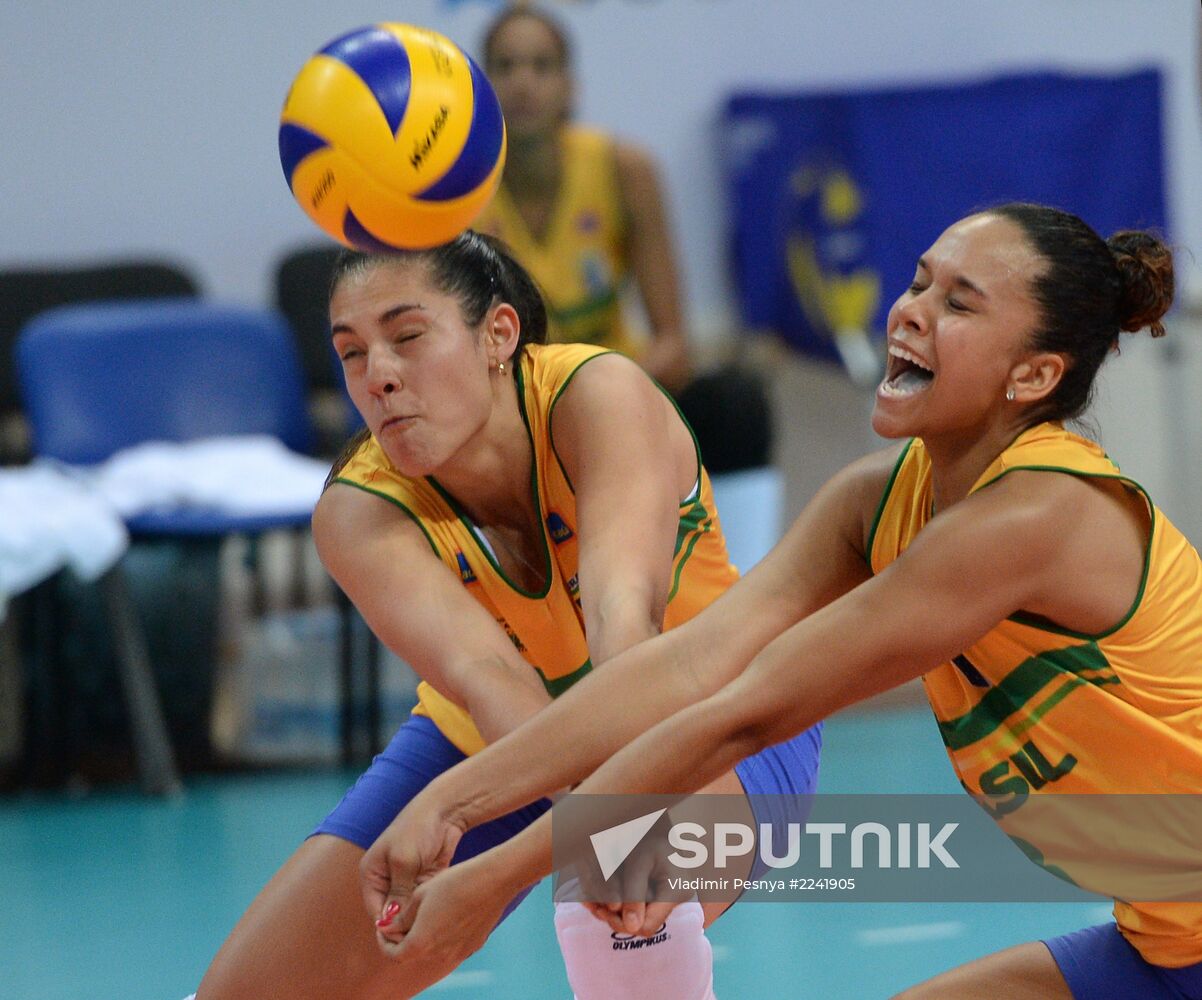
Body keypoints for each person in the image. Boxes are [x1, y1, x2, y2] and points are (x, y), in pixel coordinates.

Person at [360, 204, 1202, 999]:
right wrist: (452, 802)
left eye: (960, 304)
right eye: (917, 282)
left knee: (616, 855)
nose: (909, 312)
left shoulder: (1037, 515)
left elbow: (745, 712)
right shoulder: (875, 502)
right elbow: (691, 665)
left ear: (1035, 375)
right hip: (1166, 947)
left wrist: (496, 872)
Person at [191, 232, 821, 1000]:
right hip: (489, 735)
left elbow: (627, 636)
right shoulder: (359, 509)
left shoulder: (597, 396)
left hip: (712, 711)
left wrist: (609, 825)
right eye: (352, 353)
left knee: (615, 870)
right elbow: (487, 680)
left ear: (498, 334)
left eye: (408, 336)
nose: (378, 376)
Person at [475, 4, 692, 396]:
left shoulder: (626, 171)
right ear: (480, 88)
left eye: (542, 66)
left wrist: (597, 398)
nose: (523, 83)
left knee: (735, 404)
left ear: (570, 86)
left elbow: (674, 348)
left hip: (618, 392)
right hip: (516, 407)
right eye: (505, 67)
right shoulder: (457, 195)